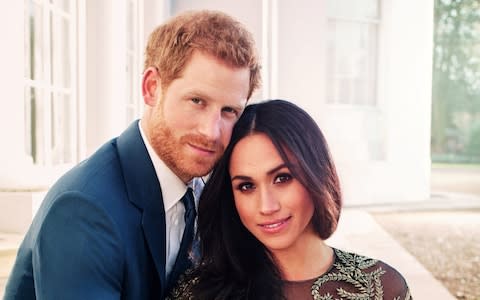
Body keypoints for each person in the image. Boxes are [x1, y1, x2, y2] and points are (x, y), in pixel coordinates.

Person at [4, 10, 260, 300]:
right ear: (151, 88)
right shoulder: (84, 210)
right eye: (197, 101)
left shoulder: (203, 188)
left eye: (229, 111)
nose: (212, 132)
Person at [167, 99, 412, 300]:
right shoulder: (198, 293)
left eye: (283, 178)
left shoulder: (381, 288)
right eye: (246, 186)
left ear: (315, 173)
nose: (267, 206)